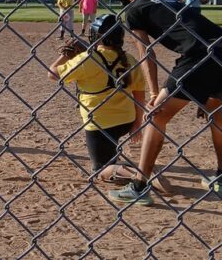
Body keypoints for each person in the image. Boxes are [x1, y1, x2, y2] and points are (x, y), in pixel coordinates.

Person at [108, 0, 222, 206]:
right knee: (218, 115)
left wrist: (153, 94)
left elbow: (146, 53)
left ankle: (139, 186)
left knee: (155, 116)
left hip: (199, 56)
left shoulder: (135, 8)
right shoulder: (174, 1)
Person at [48, 15, 171, 193]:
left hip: (99, 124)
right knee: (109, 151)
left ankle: (143, 174)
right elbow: (138, 93)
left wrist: (65, 55)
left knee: (100, 171)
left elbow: (52, 74)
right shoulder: (129, 58)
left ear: (96, 36)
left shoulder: (87, 59)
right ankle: (130, 167)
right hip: (126, 119)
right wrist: (137, 123)